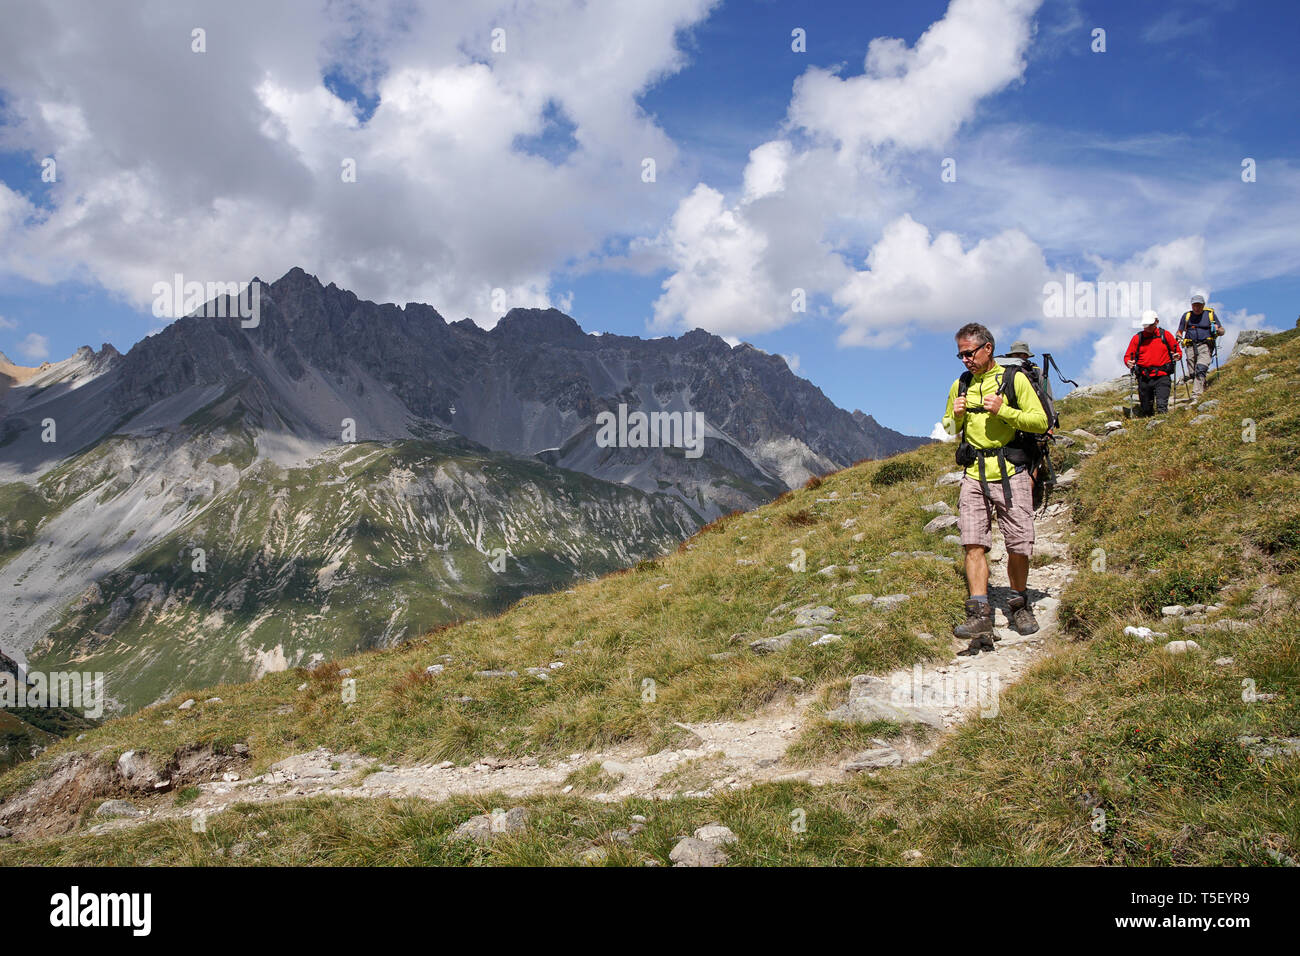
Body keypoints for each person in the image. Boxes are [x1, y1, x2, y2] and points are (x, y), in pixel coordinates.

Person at [941, 323, 1050, 655]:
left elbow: (1041, 421)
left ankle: (1018, 604)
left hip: (1011, 471)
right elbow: (947, 426)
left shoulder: (1014, 380)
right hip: (974, 473)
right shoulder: (959, 385)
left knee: (1019, 543)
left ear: (987, 348)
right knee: (973, 543)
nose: (964, 360)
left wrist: (1004, 411)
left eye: (969, 353)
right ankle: (980, 614)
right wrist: (955, 418)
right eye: (960, 354)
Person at [1124, 310, 1182, 416]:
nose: (1147, 328)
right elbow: (1128, 356)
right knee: (1146, 409)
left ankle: (1163, 426)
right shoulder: (1138, 338)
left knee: (1162, 405)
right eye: (1145, 325)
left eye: (1150, 325)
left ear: (1157, 322)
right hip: (1144, 377)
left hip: (1162, 376)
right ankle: (1150, 424)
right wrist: (1129, 363)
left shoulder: (1165, 335)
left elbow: (1177, 350)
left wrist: (1177, 355)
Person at [1177, 293, 1225, 399]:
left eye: (1199, 305)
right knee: (1193, 372)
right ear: (1191, 305)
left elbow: (1222, 330)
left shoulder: (1209, 315)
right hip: (1190, 346)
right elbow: (1180, 331)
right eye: (1195, 305)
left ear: (1203, 305)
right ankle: (1202, 386)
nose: (1197, 307)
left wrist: (1218, 330)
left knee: (1201, 367)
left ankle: (1196, 395)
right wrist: (1178, 338)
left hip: (1205, 345)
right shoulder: (1186, 316)